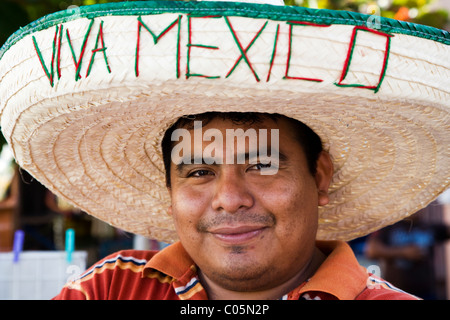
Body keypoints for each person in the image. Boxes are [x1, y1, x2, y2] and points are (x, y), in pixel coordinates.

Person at [0, 0, 448, 300]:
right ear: (169, 189)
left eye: (261, 163)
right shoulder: (111, 288)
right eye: (198, 172)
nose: (230, 197)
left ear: (320, 175)